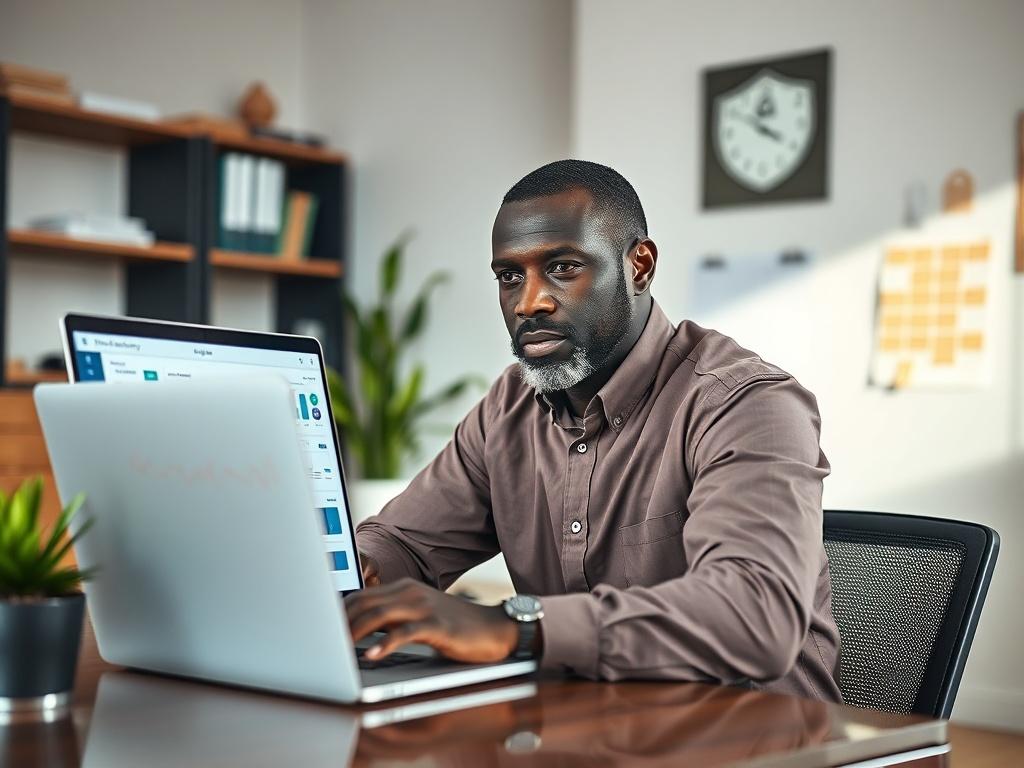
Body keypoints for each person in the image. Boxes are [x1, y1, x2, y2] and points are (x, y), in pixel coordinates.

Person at [346, 160, 841, 702]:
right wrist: (355, 571)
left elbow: (756, 614)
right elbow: (403, 544)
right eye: (510, 276)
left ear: (639, 266)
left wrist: (518, 627)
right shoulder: (508, 409)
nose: (529, 302)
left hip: (759, 742)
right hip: (591, 733)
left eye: (562, 267)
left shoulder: (747, 404)